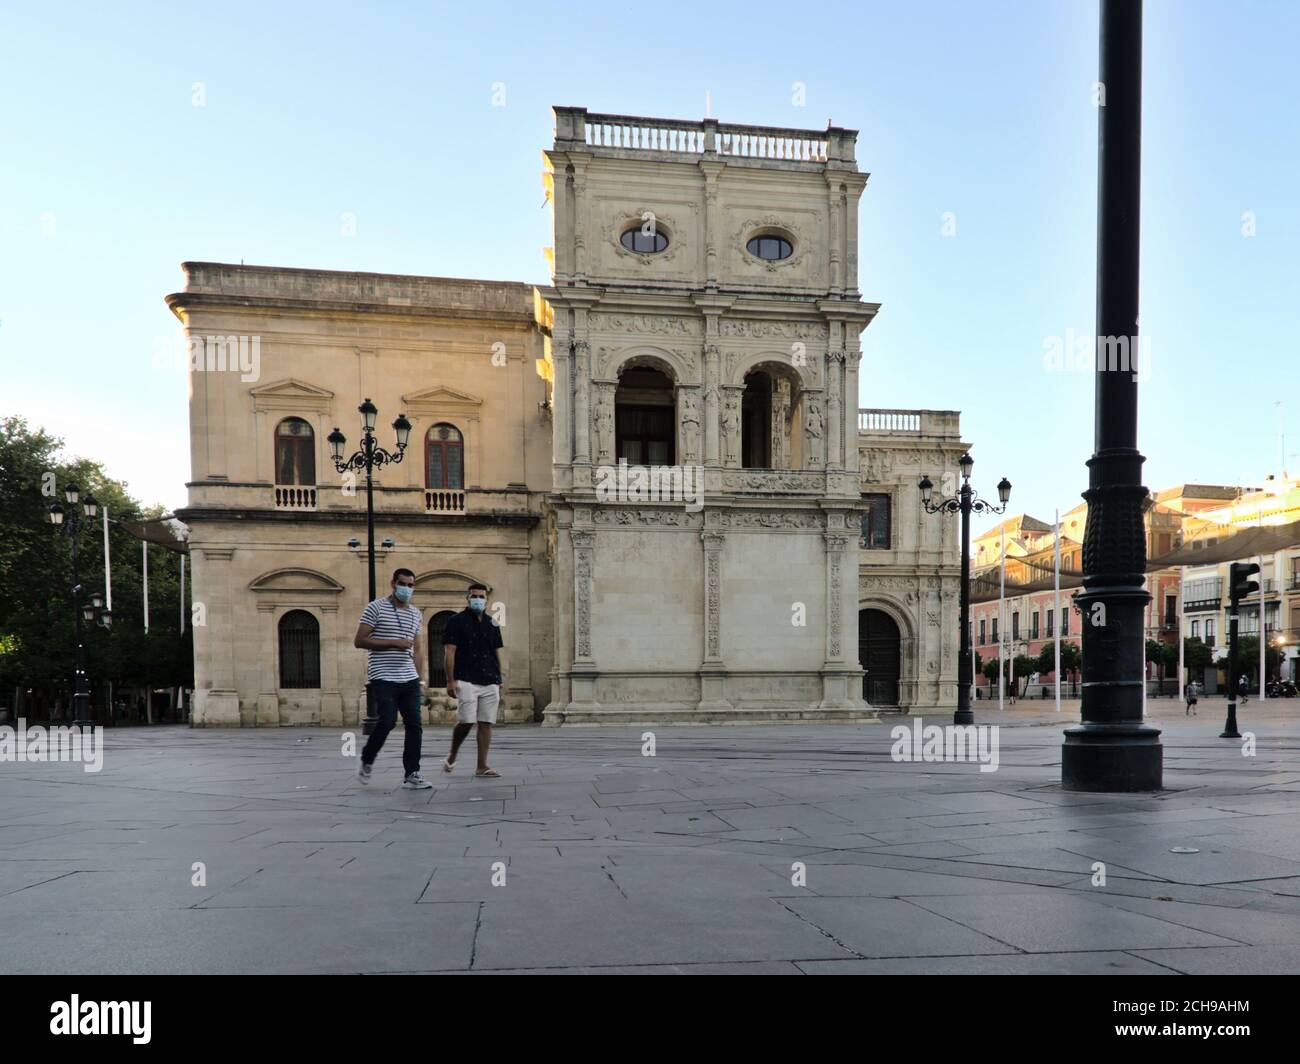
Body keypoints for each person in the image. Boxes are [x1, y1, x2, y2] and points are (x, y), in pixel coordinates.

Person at [354, 567, 430, 789]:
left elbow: (418, 649)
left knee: (415, 725)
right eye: (403, 584)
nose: (406, 588)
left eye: (410, 585)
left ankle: (412, 773)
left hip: (409, 678)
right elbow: (359, 641)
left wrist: (421, 679)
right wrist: (393, 643)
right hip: (383, 676)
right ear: (393, 584)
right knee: (387, 721)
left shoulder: (415, 613)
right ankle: (367, 758)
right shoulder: (375, 608)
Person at [441, 582, 505, 778]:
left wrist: (499, 678)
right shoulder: (456, 621)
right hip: (466, 677)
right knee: (466, 721)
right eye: (474, 596)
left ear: (487, 599)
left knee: (486, 722)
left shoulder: (492, 623)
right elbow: (449, 651)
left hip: (489, 678)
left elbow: (496, 652)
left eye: (481, 596)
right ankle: (452, 755)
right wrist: (450, 680)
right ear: (467, 598)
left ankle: (482, 765)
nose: (478, 599)